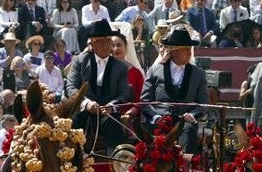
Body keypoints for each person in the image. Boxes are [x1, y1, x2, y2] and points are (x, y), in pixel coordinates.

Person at [65, 20, 132, 156]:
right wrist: (86, 103)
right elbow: (70, 86)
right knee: (72, 127)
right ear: (92, 43)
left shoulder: (120, 67)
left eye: (108, 41)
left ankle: (115, 161)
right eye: (101, 41)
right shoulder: (80, 61)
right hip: (84, 111)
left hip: (108, 113)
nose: (105, 45)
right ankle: (71, 161)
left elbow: (124, 92)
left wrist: (112, 106)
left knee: (114, 128)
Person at [139, 25, 210, 153]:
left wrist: (192, 115)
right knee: (146, 137)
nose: (190, 53)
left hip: (184, 122)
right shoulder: (155, 71)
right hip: (159, 119)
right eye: (186, 49)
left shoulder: (198, 74)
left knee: (188, 130)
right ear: (174, 51)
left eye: (190, 49)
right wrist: (156, 117)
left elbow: (204, 104)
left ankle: (185, 163)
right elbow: (144, 102)